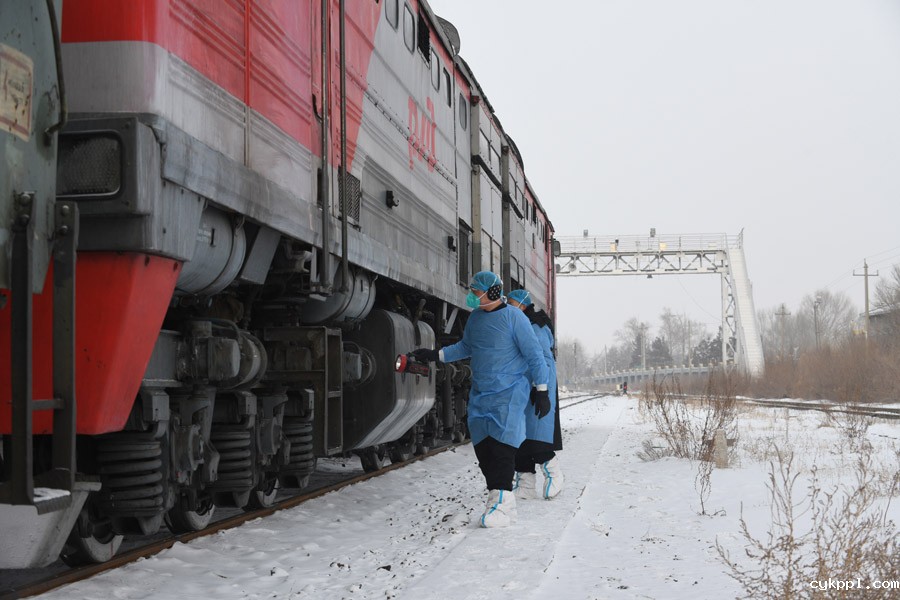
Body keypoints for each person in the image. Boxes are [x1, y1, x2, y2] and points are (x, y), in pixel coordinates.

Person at [411, 271, 548, 528]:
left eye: (476, 292)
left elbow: (535, 355)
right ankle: (500, 501)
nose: (471, 296)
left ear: (493, 292)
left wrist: (541, 390)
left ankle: (501, 506)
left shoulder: (515, 318)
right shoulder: (475, 318)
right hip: (481, 395)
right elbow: (465, 347)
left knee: (502, 449)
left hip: (508, 393)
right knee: (484, 450)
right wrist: (435, 355)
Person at [507, 288, 564, 500]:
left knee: (538, 439)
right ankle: (526, 485)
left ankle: (554, 476)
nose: (509, 308)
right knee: (520, 440)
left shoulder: (536, 327)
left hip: (538, 389)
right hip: (522, 390)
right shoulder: (519, 326)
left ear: (523, 305)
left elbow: (544, 361)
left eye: (512, 304)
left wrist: (542, 391)